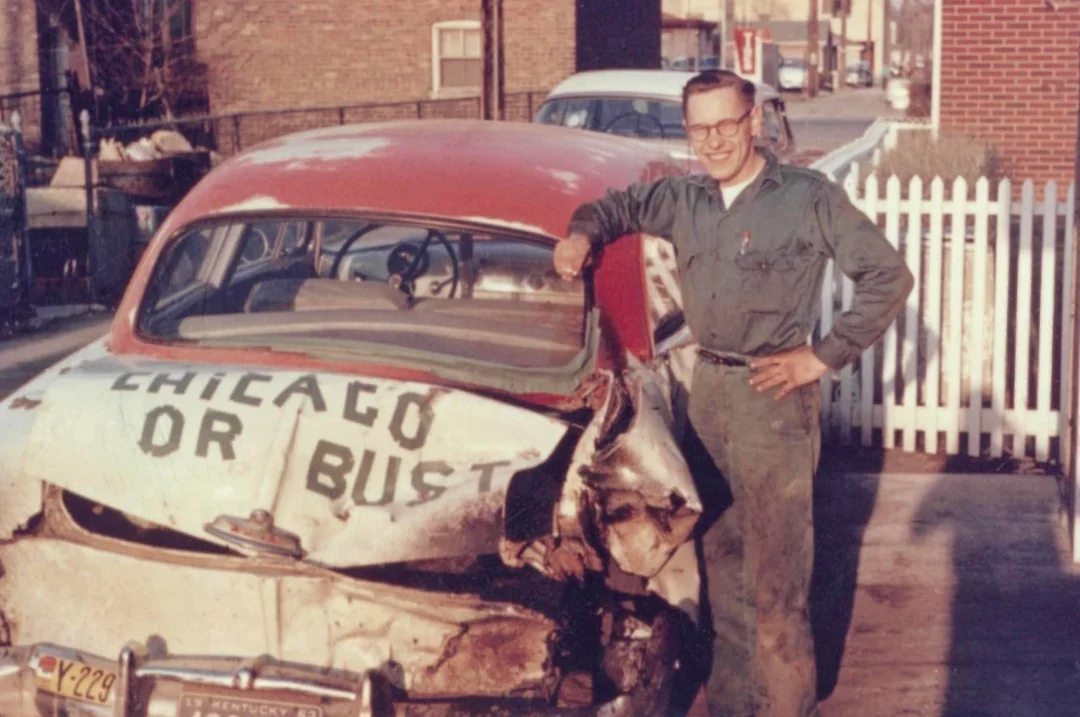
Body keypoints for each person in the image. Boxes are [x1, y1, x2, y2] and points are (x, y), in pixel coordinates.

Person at [553, 70, 913, 717]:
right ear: (688, 131)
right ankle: (732, 703)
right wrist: (582, 232)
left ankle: (785, 706)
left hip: (772, 399)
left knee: (778, 579)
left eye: (727, 124)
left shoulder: (805, 196)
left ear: (754, 123)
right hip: (707, 394)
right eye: (700, 128)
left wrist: (820, 355)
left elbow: (888, 276)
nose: (714, 140)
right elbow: (616, 208)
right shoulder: (685, 198)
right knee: (722, 565)